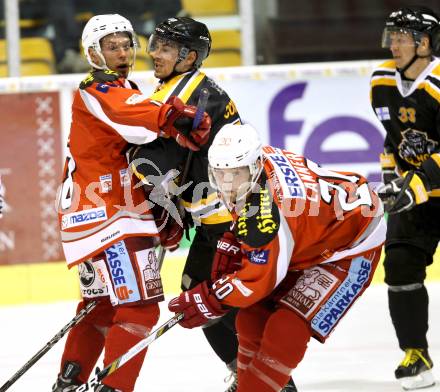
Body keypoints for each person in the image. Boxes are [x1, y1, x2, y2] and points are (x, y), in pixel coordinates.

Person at [52, 14, 211, 392]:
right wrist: (173, 114)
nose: (123, 52)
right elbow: (135, 120)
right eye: (112, 46)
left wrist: (159, 209)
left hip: (88, 219)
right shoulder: (98, 87)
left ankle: (68, 383)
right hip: (111, 215)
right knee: (140, 306)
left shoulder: (122, 87)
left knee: (103, 307)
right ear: (94, 53)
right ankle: (115, 388)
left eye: (127, 44)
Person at [167, 123, 386, 392]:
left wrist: (211, 298)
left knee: (287, 326)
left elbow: (259, 282)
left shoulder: (267, 210)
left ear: (255, 165)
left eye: (235, 175)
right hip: (316, 231)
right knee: (250, 317)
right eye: (220, 175)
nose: (227, 185)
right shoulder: (256, 164)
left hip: (352, 245)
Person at [371, 6, 440, 391]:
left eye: (401, 37)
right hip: (418, 196)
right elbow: (392, 137)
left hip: (425, 187)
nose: (393, 43)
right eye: (391, 36)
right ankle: (415, 354)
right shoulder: (381, 81)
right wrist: (388, 175)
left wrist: (413, 183)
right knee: (399, 265)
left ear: (424, 43)